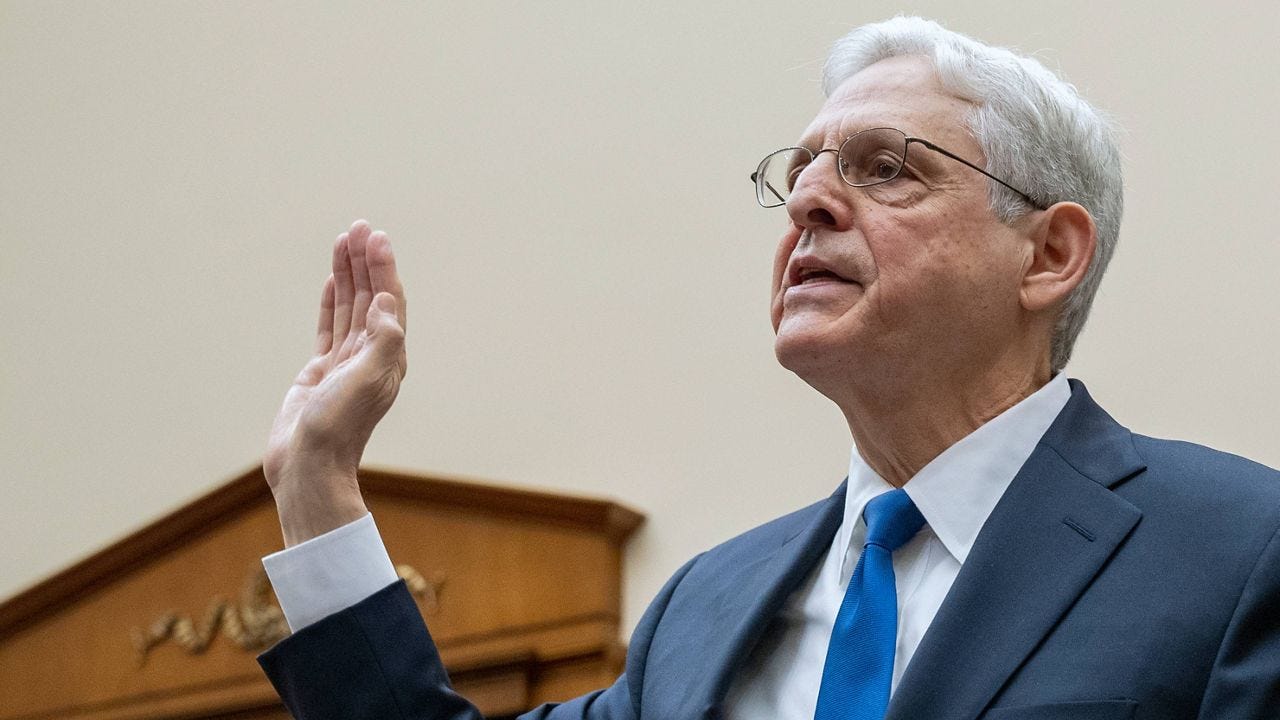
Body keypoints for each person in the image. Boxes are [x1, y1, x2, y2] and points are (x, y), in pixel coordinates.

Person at [256, 16, 1280, 720]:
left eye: (885, 168)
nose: (808, 203)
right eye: (801, 175)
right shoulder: (704, 607)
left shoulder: (1237, 552)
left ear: (1047, 254)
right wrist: (317, 490)